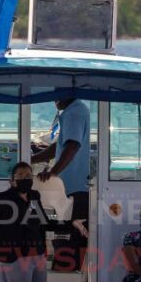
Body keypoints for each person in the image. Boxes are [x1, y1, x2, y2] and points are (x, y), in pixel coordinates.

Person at [32, 96, 91, 270]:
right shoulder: (75, 110)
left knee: (69, 242)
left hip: (74, 190)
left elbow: (72, 146)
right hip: (71, 189)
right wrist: (30, 159)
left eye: (57, 94)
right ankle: (68, 277)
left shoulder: (74, 113)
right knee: (66, 238)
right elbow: (59, 147)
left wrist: (52, 173)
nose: (54, 99)